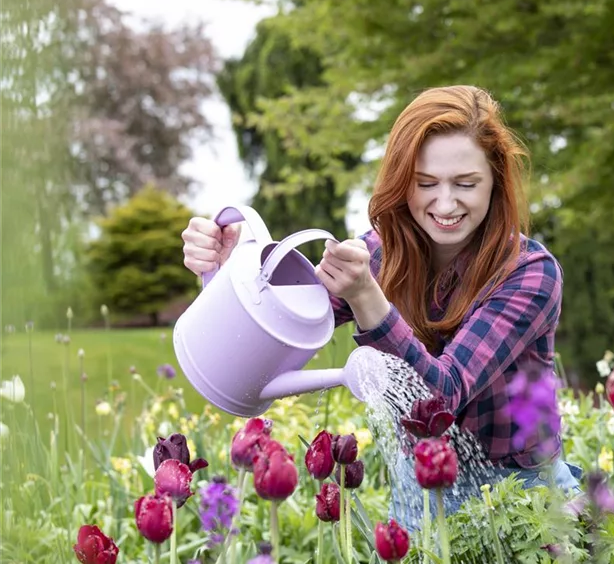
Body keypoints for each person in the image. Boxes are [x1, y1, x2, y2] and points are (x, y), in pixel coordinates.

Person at [181, 85, 581, 526]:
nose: (445, 204)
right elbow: (275, 329)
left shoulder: (528, 273)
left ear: (496, 182)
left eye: (466, 184)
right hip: (420, 495)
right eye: (425, 183)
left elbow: (439, 400)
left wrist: (369, 298)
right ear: (402, 182)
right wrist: (230, 272)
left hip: (527, 497)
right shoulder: (380, 254)